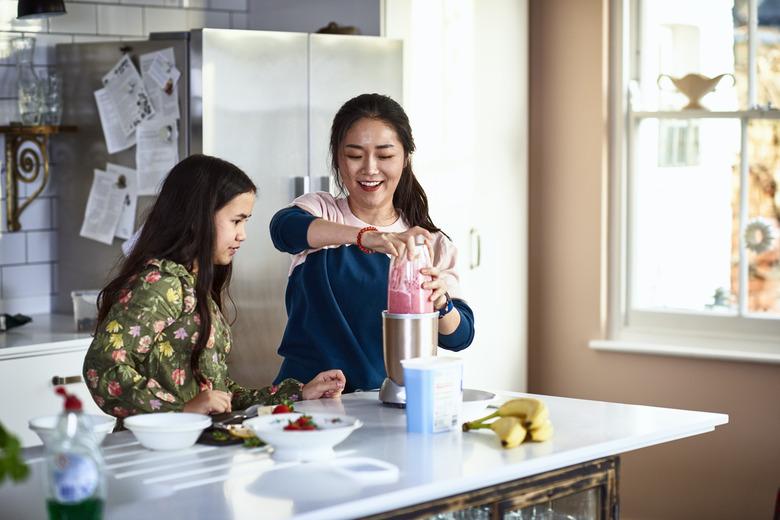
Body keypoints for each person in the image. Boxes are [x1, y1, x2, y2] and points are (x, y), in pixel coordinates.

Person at [83, 154, 345, 418]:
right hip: (156, 448)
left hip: (193, 444)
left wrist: (298, 394)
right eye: (236, 221)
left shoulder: (195, 286)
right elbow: (103, 368)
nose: (242, 235)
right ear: (199, 217)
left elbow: (219, 395)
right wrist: (181, 410)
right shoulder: (161, 286)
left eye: (245, 221)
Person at [270, 93, 475, 392]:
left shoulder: (429, 242)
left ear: (405, 158)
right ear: (338, 160)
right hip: (309, 401)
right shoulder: (322, 212)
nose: (369, 168)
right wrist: (366, 237)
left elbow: (460, 337)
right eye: (354, 155)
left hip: (386, 405)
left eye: (385, 155)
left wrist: (441, 303)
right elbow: (283, 230)